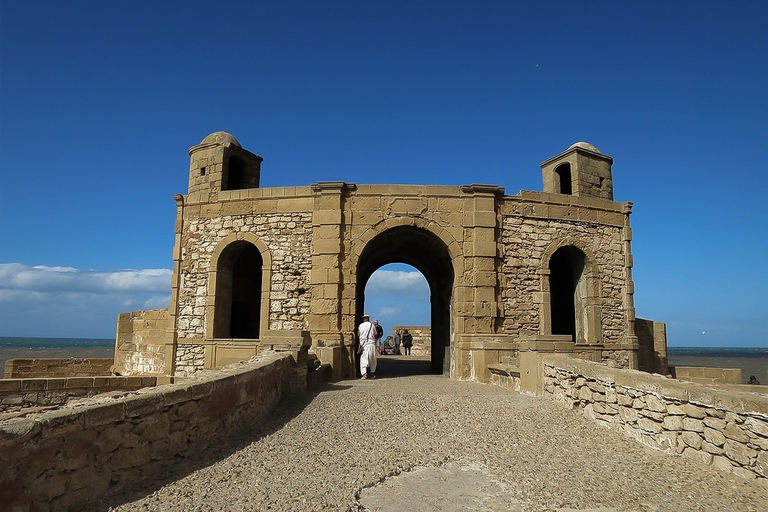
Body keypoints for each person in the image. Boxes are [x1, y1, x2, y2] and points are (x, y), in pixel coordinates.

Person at [357, 314, 377, 379]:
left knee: (363, 359)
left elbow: (358, 334)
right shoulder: (372, 325)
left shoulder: (360, 326)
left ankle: (364, 374)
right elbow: (375, 335)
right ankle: (372, 373)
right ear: (368, 319)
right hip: (371, 344)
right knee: (372, 359)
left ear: (363, 319)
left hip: (363, 344)